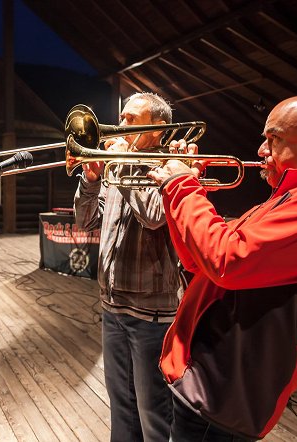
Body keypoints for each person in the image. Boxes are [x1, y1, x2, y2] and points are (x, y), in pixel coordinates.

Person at [146, 94, 297, 440]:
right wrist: (181, 193)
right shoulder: (286, 198)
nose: (261, 149)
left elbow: (227, 261)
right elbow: (199, 260)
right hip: (198, 377)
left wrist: (182, 186)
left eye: (273, 138)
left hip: (223, 394)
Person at [74, 92, 182, 441]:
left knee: (154, 415)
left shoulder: (171, 167)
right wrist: (91, 181)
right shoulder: (118, 165)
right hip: (112, 307)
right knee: (121, 406)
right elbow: (86, 221)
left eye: (132, 120)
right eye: (122, 117)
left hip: (152, 314)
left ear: (159, 128)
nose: (120, 126)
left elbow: (153, 216)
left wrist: (125, 161)